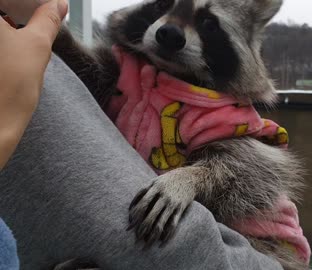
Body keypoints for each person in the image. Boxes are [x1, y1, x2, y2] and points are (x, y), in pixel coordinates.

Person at [0, 1, 283, 269]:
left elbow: (248, 177)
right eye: (163, 6)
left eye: (208, 24)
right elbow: (83, 81)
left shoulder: (226, 115)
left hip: (255, 249)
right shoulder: (129, 74)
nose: (171, 29)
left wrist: (192, 179)